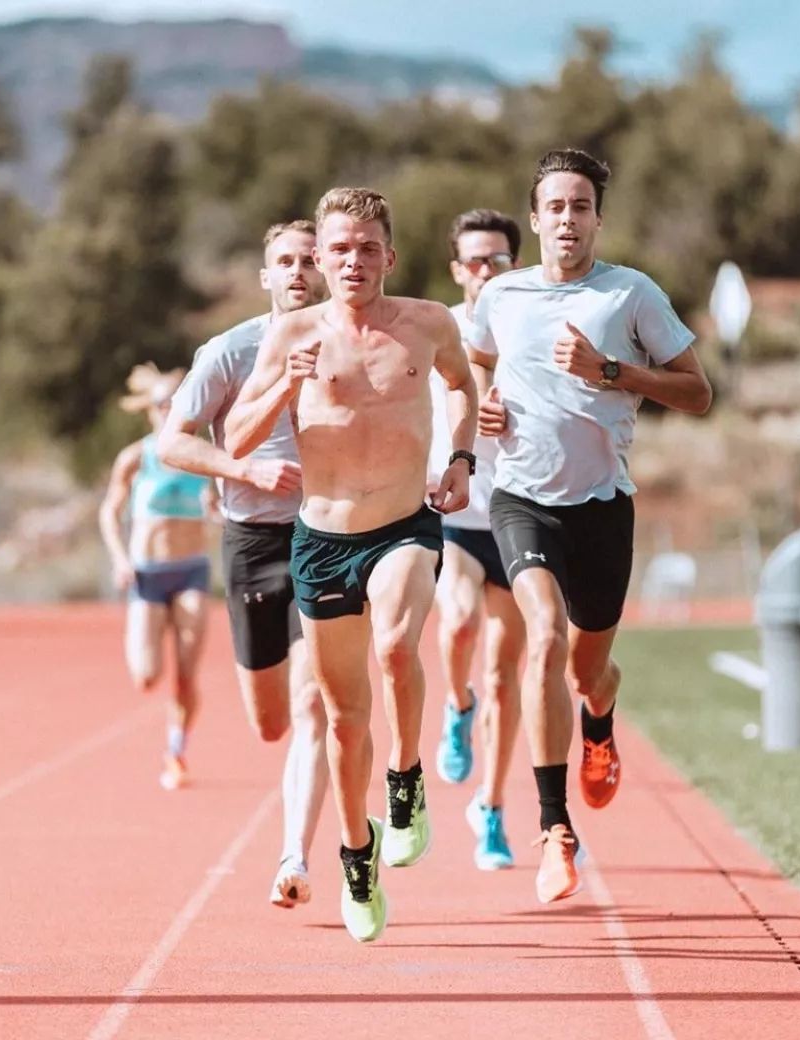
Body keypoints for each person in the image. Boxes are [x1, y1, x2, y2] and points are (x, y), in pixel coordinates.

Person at [225, 187, 478, 943]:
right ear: (323, 258)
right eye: (339, 248)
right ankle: (356, 853)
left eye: (367, 247)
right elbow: (237, 439)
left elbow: (464, 386)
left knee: (398, 646)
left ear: (388, 256)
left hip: (405, 523)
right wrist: (281, 379)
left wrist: (460, 456)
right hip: (323, 538)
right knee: (341, 717)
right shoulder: (292, 333)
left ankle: (405, 782)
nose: (352, 261)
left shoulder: (428, 324)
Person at [468, 149, 712, 904]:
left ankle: (600, 717)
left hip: (603, 507)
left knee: (584, 672)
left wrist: (610, 371)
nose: (567, 219)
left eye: (580, 206)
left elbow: (698, 393)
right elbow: (477, 364)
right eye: (555, 207)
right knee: (539, 636)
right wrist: (483, 406)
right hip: (520, 499)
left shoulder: (631, 294)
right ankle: (554, 829)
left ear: (597, 219)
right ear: (535, 217)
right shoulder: (501, 295)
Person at [156, 220, 330, 909]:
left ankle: (297, 854)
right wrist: (242, 469)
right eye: (284, 261)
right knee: (270, 722)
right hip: (253, 542)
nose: (298, 271)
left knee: (314, 700)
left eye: (310, 259)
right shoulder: (230, 351)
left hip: (329, 537)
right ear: (265, 277)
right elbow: (174, 442)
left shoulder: (360, 342)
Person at [428, 208, 525, 872]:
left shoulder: (536, 326)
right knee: (458, 624)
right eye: (473, 261)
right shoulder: (438, 329)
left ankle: (490, 809)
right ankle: (455, 704)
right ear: (458, 270)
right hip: (454, 511)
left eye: (496, 259)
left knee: (506, 671)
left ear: (514, 265)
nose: (484, 270)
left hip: (520, 516)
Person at [99, 364, 215, 792]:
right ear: (149, 411)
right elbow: (110, 511)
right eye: (160, 404)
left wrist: (217, 509)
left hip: (191, 572)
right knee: (146, 675)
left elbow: (225, 502)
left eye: (174, 403)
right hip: (148, 575)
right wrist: (119, 557)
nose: (167, 411)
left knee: (186, 674)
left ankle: (177, 749)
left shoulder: (200, 456)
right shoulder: (136, 457)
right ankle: (151, 665)